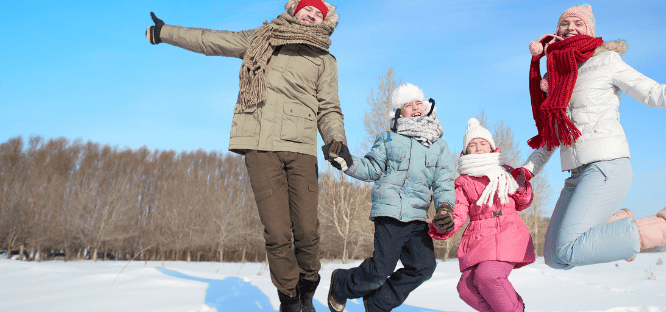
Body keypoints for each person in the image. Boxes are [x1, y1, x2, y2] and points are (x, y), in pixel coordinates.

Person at [144, 1, 352, 311]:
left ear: (325, 22)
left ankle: (308, 287)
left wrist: (337, 141)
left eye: (318, 14)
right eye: (307, 9)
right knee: (278, 233)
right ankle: (290, 301)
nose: (311, 16)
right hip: (260, 146)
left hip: (301, 149)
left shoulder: (324, 59)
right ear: (295, 11)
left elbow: (329, 107)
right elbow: (209, 40)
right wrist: (165, 32)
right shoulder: (260, 38)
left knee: (308, 233)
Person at [520, 4, 666, 270]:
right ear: (556, 31)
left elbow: (658, 94)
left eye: (579, 23)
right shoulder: (555, 76)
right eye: (565, 23)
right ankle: (615, 229)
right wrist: (526, 172)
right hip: (575, 175)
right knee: (554, 258)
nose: (571, 27)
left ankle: (664, 228)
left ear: (590, 29)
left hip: (606, 166)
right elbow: (552, 135)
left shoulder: (606, 61)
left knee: (569, 249)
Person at [325, 83, 456, 312]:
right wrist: (347, 161)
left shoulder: (440, 146)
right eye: (408, 104)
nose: (415, 108)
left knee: (423, 267)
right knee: (379, 271)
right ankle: (342, 283)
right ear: (399, 111)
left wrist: (444, 208)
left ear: (427, 108)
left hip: (417, 215)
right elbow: (371, 168)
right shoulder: (389, 138)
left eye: (419, 103)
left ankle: (378, 303)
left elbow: (443, 181)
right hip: (390, 212)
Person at [430, 118, 535, 312]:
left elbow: (523, 202)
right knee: (466, 288)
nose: (478, 148)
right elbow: (460, 212)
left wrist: (522, 186)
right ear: (466, 150)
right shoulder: (463, 181)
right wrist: (445, 224)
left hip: (507, 231)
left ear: (491, 147)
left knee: (489, 276)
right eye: (473, 144)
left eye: (483, 143)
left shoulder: (505, 172)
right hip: (478, 236)